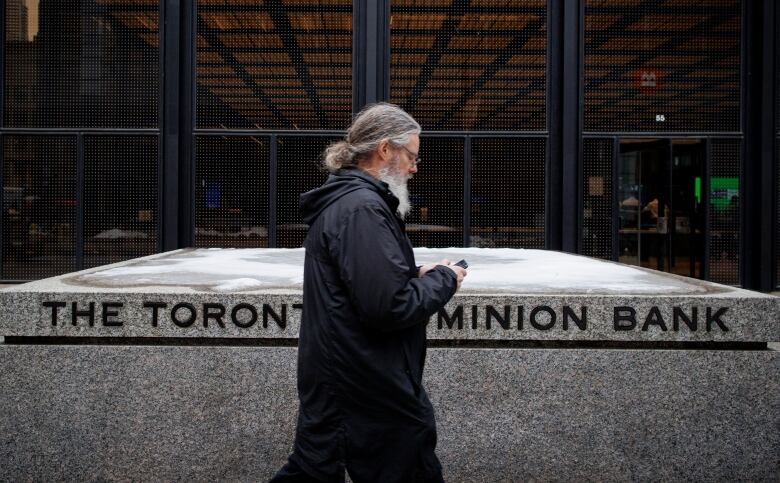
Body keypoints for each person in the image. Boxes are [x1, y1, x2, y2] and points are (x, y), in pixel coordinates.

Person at [270, 103, 467, 483]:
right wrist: (445, 278)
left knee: (315, 469)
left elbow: (360, 281)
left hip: (348, 377)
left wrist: (413, 273)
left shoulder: (352, 204)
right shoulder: (361, 210)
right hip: (367, 384)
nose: (414, 166)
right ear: (384, 151)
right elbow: (391, 307)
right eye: (411, 155)